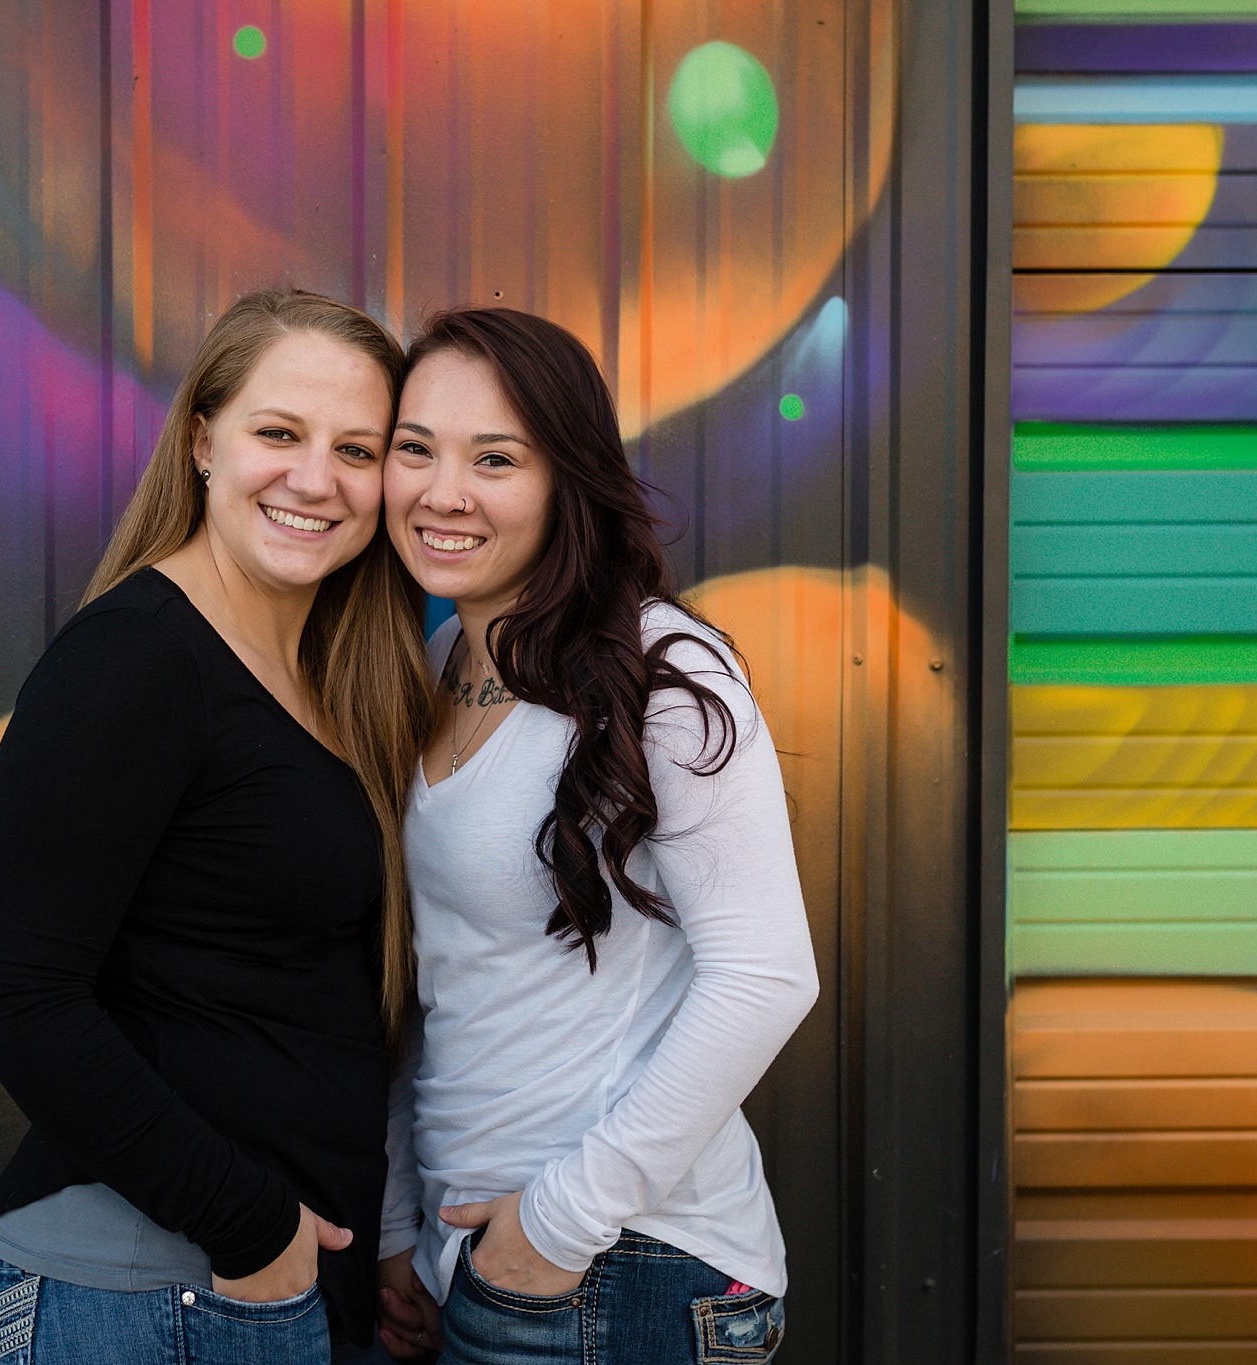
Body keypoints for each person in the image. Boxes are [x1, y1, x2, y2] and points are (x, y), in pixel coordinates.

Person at [0, 287, 433, 1364]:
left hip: (257, 1286)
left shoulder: (328, 677)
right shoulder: (131, 660)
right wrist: (251, 1228)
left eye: (356, 449)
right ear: (202, 440)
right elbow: (11, 994)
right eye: (279, 433)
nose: (316, 479)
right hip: (143, 1286)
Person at [373, 308, 819, 1364]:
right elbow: (438, 981)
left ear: (565, 478)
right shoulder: (438, 668)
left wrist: (555, 1228)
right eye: (413, 449)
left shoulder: (659, 669)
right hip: (479, 1264)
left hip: (624, 1268)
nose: (442, 493)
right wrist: (401, 1221)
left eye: (494, 458)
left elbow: (764, 974)